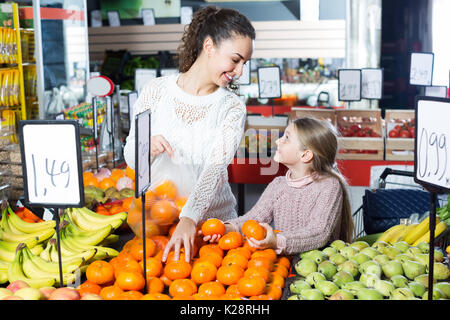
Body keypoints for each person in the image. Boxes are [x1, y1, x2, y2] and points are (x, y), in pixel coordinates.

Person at [123, 5, 255, 262]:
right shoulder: (155, 91)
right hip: (157, 222)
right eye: (235, 60)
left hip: (211, 230)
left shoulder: (232, 107)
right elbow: (131, 158)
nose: (240, 71)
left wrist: (189, 218)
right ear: (209, 46)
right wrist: (145, 147)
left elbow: (215, 168)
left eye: (244, 63)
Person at [204, 117, 355, 255]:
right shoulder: (278, 185)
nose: (278, 141)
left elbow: (318, 232)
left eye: (287, 138)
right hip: (284, 264)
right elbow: (254, 219)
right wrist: (227, 228)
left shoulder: (328, 186)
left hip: (319, 269)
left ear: (305, 155)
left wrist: (277, 241)